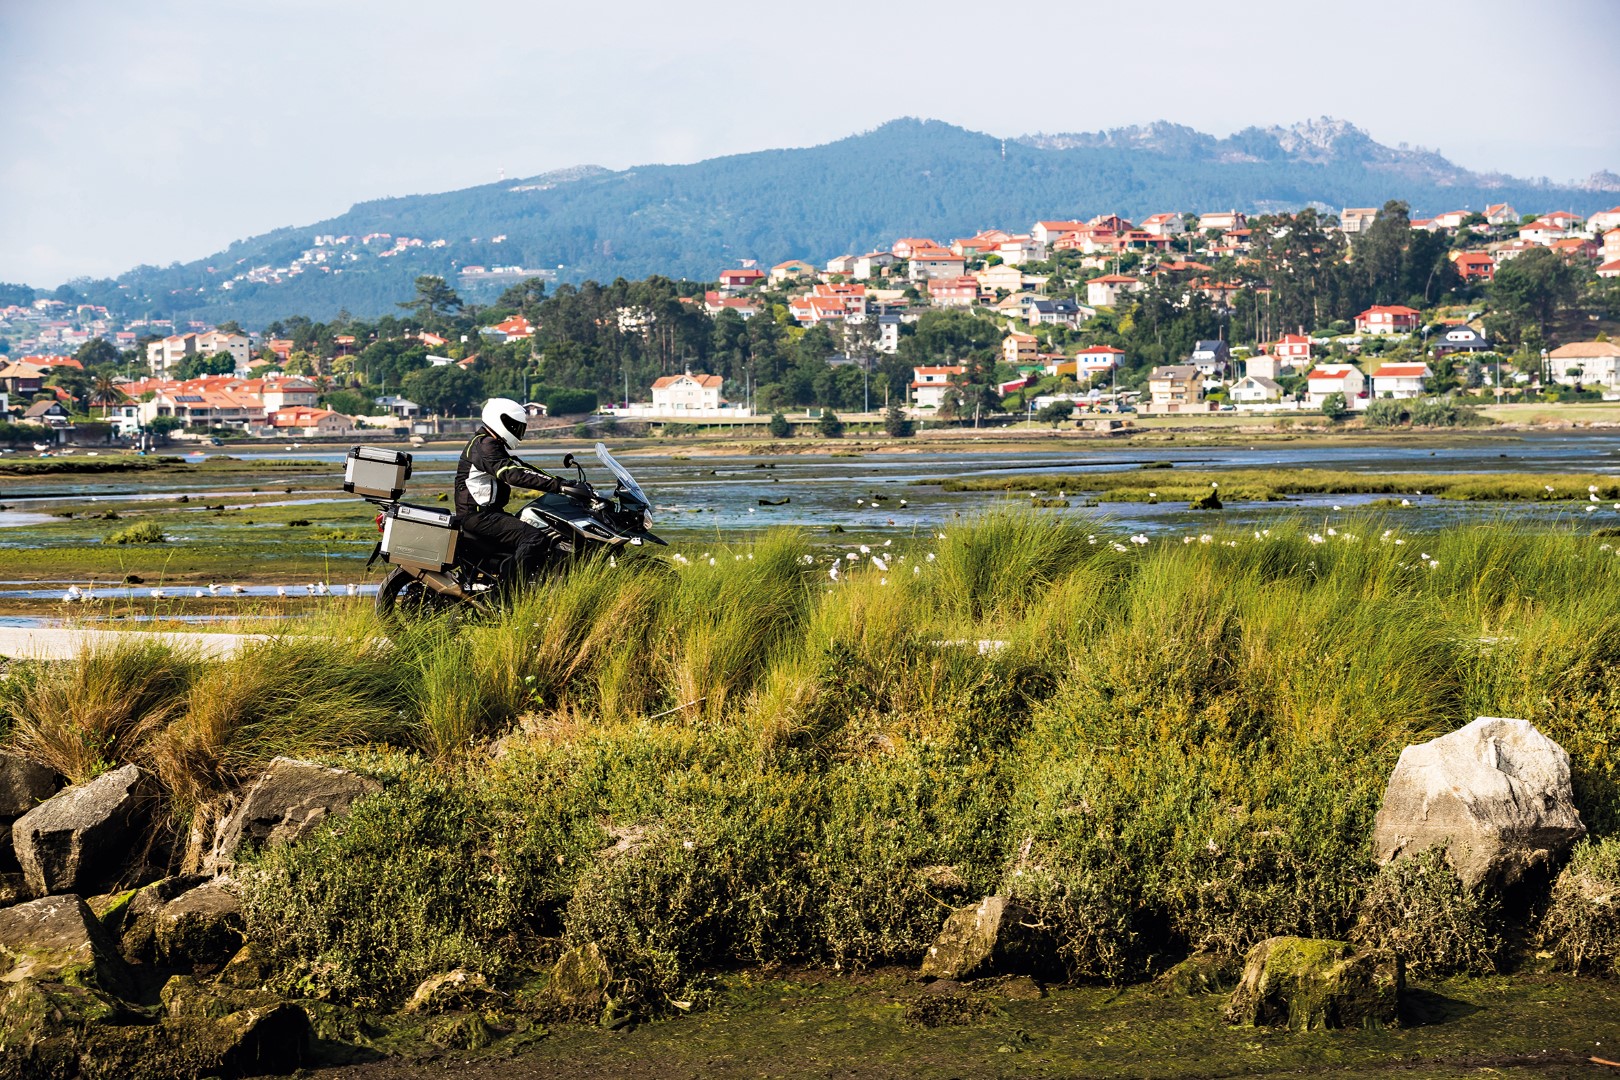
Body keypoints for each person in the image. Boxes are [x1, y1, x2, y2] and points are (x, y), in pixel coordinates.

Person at [453, 398, 583, 575]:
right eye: (515, 425)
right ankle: (509, 591)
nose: (518, 430)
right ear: (500, 420)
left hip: (487, 514)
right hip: (479, 516)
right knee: (534, 537)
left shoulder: (489, 443)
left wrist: (562, 483)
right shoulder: (485, 445)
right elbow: (512, 474)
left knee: (538, 528)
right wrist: (558, 486)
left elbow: (522, 468)